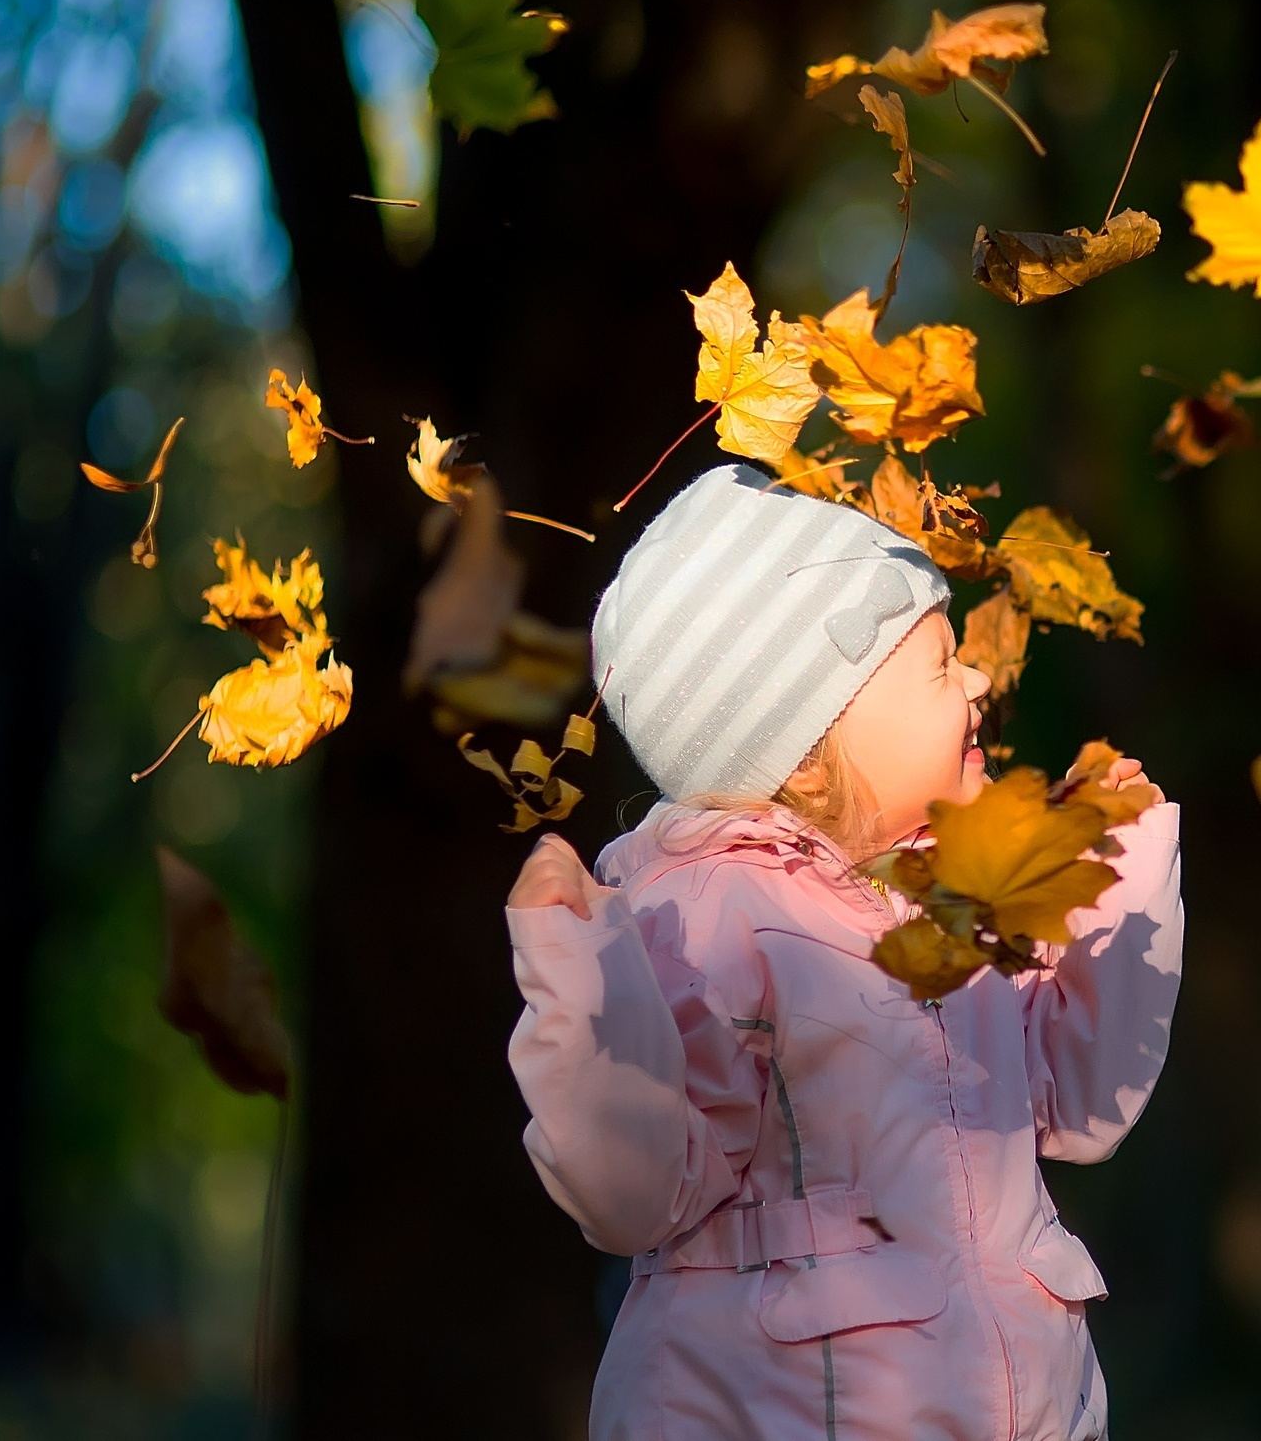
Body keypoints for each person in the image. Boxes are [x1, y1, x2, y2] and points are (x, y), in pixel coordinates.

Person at [506, 463, 1183, 1441]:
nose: (981, 681)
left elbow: (1084, 1104)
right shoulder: (705, 907)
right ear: (810, 744)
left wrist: (1120, 873)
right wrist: (584, 984)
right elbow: (636, 1190)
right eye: (940, 665)